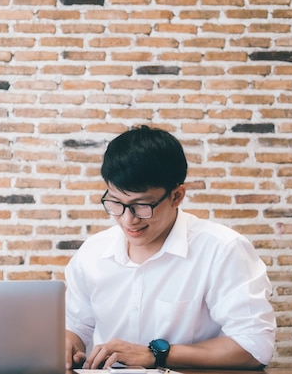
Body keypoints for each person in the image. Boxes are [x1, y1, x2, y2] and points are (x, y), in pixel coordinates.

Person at [65, 125, 276, 370]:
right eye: (115, 203)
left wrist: (156, 354)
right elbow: (76, 328)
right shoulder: (92, 253)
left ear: (177, 196)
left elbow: (254, 346)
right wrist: (67, 344)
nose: (128, 219)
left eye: (142, 206)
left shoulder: (223, 249)